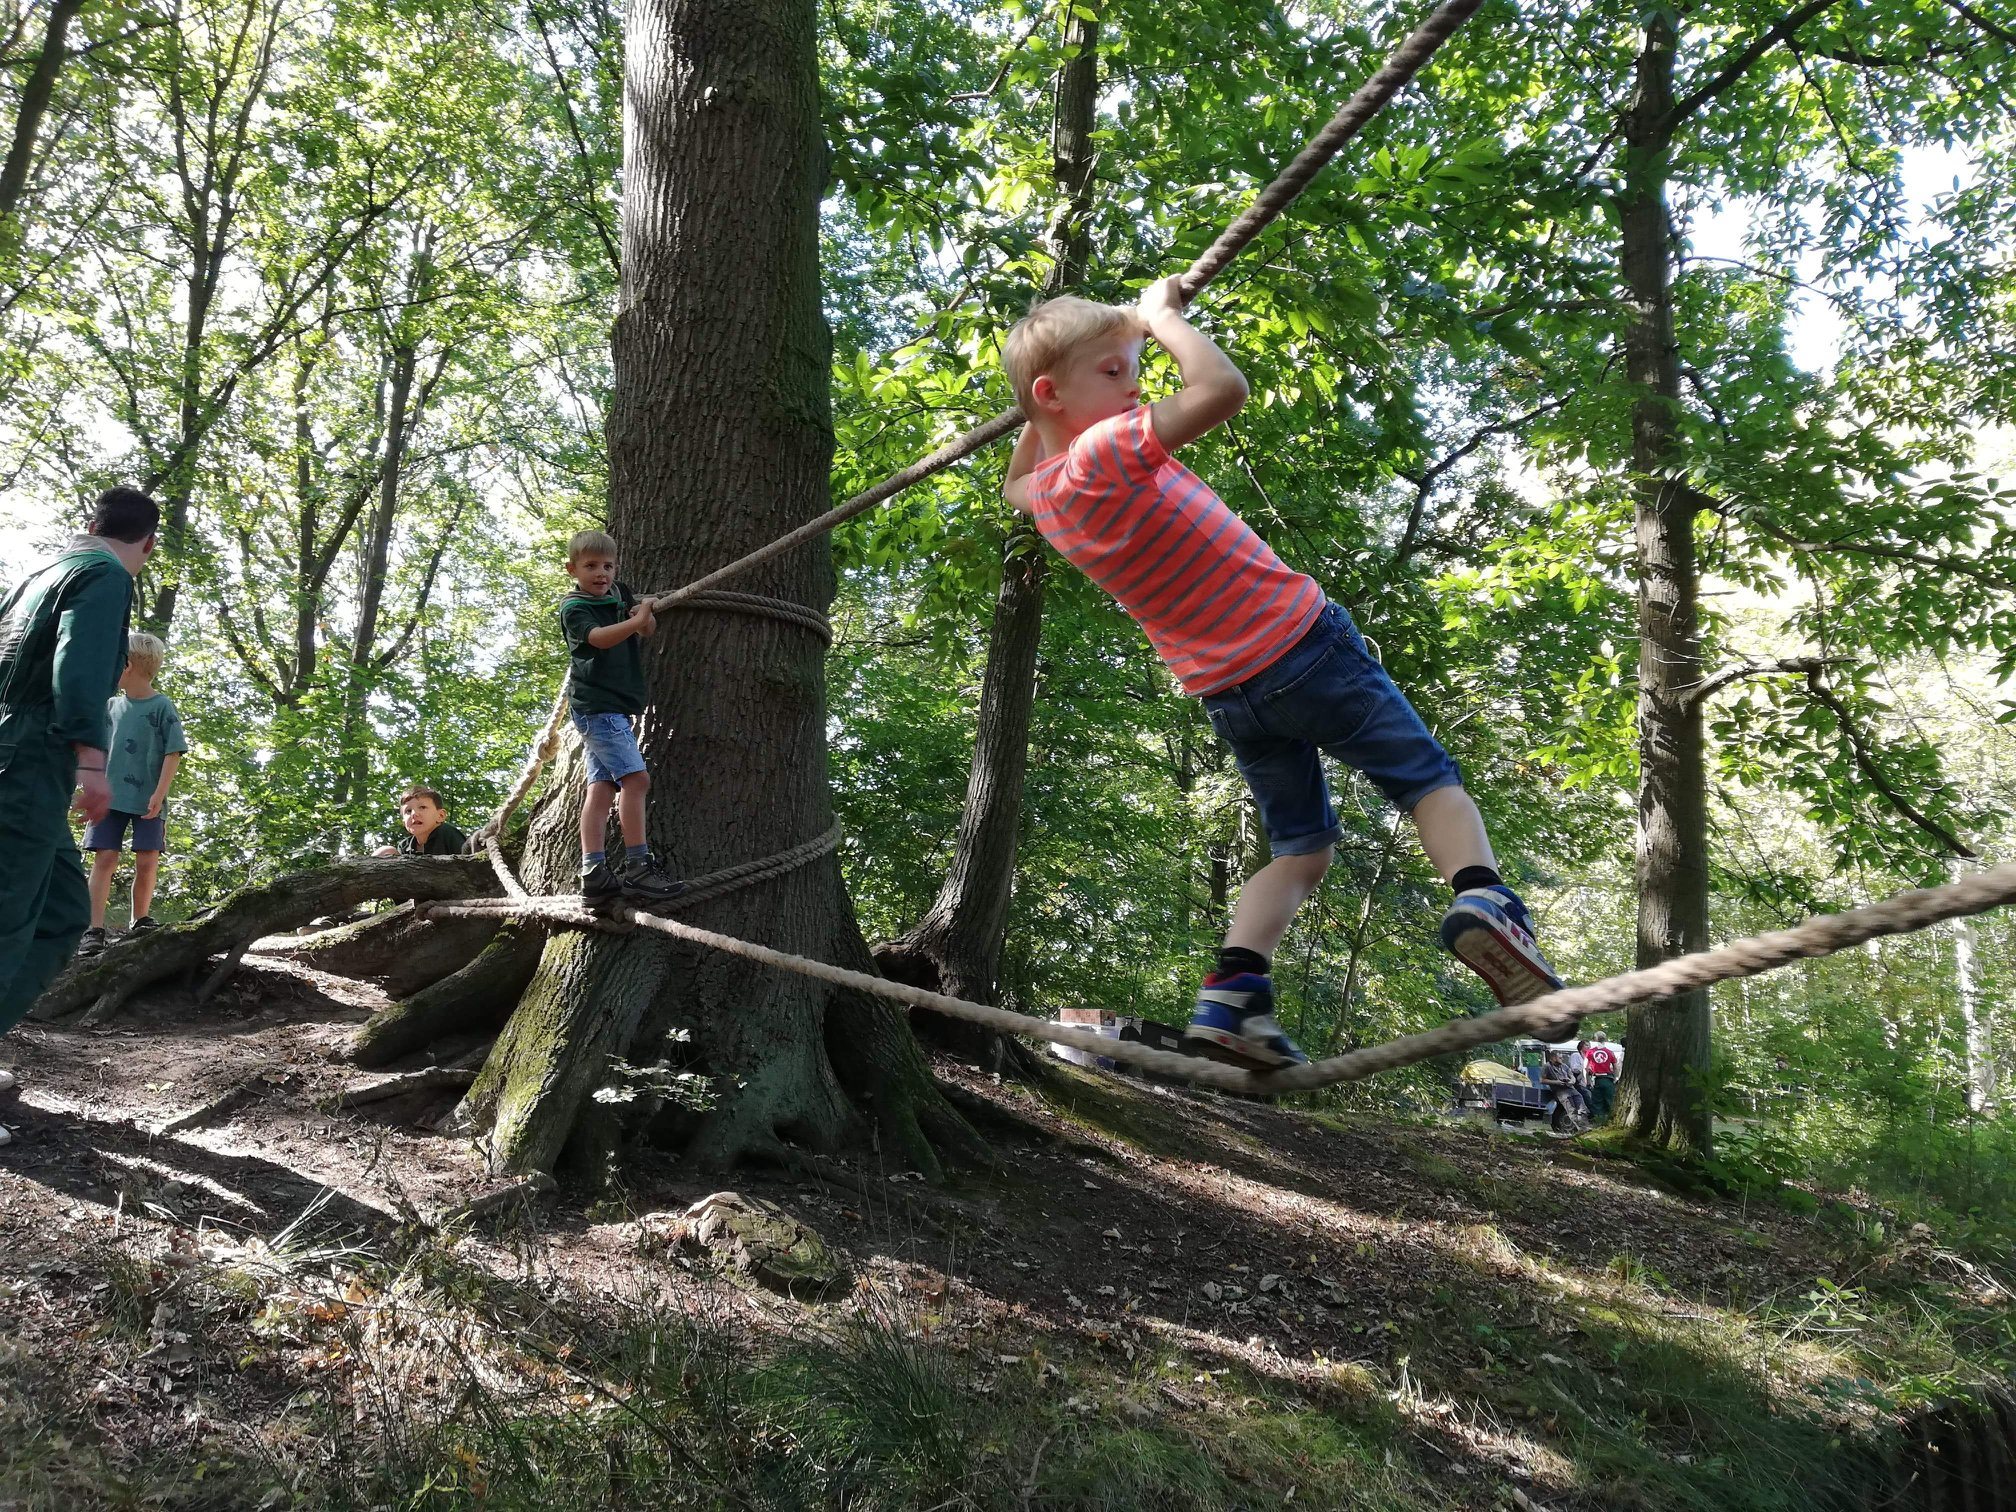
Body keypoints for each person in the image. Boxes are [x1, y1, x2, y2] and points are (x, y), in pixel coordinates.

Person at [1001, 280, 1564, 1068]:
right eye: (1117, 372)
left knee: (1301, 849)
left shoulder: (1049, 498)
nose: (1138, 387)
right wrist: (1163, 322)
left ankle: (1233, 1001)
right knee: (1427, 780)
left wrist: (1037, 413)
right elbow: (1222, 388)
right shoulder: (1106, 450)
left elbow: (1013, 480)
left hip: (1229, 695)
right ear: (1057, 394)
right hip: (1302, 649)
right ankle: (1485, 899)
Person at [0, 487, 157, 1144]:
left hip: (19, 756)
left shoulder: (41, 573)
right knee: (6, 922)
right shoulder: (105, 575)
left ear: (89, 522)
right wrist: (91, 759)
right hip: (28, 764)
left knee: (65, 911)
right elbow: (80, 663)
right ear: (146, 545)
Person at [559, 530, 683, 904]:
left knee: (603, 788)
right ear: (573, 570)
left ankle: (593, 872)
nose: (602, 574)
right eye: (591, 566)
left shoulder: (619, 592)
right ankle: (638, 867)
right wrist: (638, 616)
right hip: (597, 707)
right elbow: (599, 638)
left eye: (608, 566)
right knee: (637, 780)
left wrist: (641, 615)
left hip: (614, 707)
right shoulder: (574, 607)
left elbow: (646, 629)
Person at [77, 632, 187, 954]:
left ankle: (139, 921)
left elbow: (173, 752)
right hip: (109, 799)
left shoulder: (162, 706)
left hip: (147, 800)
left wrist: (159, 793)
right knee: (105, 858)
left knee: (147, 861)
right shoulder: (110, 707)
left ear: (128, 665)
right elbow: (94, 748)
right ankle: (93, 929)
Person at [372, 784, 468, 857]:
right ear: (403, 822)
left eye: (422, 807)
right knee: (386, 851)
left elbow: (469, 864)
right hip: (414, 881)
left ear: (440, 816)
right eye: (408, 811)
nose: (414, 814)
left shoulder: (448, 834)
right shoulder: (405, 846)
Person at [1583, 1031, 1621, 1121]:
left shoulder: (1590, 1052)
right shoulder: (1610, 1052)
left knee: (1597, 1103)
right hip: (1608, 1080)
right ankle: (1610, 1122)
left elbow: (1585, 1068)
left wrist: (1587, 1081)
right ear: (1605, 1039)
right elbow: (1616, 1067)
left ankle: (1599, 1122)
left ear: (1595, 1039)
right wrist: (1616, 1078)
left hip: (1597, 1079)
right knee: (1610, 1102)